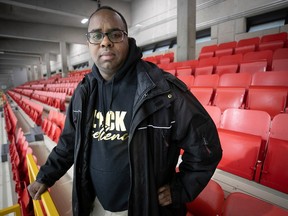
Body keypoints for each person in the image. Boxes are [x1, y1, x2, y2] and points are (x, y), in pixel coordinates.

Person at [28, 6, 222, 216]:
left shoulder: (161, 91)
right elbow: (68, 143)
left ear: (127, 39)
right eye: (97, 35)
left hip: (145, 208)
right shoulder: (84, 92)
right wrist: (46, 176)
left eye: (115, 34)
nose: (105, 42)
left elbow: (207, 148)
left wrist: (180, 188)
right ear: (89, 43)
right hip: (95, 205)